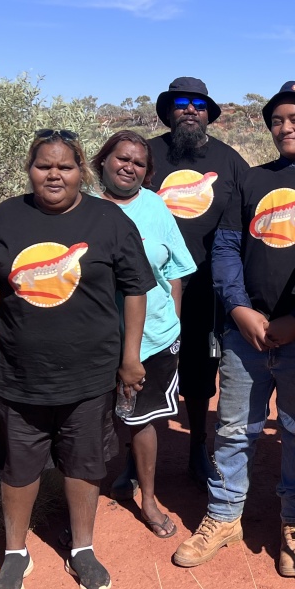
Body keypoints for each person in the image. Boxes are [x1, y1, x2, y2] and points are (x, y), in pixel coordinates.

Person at [172, 81, 295, 577]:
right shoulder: (251, 180)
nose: (286, 127)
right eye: (277, 120)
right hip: (246, 333)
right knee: (232, 430)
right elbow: (227, 247)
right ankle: (224, 516)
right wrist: (237, 309)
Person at [0, 129, 156, 589]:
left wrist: (130, 357)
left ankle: (82, 548)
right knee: (17, 467)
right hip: (17, 372)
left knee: (84, 463)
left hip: (91, 372)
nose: (54, 174)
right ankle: (15, 553)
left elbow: (135, 289)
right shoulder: (7, 217)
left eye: (65, 167)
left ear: (81, 172)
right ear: (30, 170)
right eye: (44, 166)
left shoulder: (108, 220)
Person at [90, 130, 196, 538]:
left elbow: (173, 273)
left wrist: (176, 328)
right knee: (89, 422)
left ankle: (148, 499)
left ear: (147, 172)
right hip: (96, 337)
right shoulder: (82, 204)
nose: (128, 167)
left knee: (143, 419)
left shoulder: (156, 208)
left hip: (154, 335)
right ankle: (85, 500)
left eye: (137, 162)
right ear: (103, 161)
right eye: (121, 158)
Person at [147, 77, 250, 487]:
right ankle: (133, 462)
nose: (190, 109)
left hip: (206, 288)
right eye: (181, 103)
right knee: (143, 367)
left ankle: (197, 450)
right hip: (148, 287)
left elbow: (248, 215)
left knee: (200, 372)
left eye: (199, 104)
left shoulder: (229, 161)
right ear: (169, 111)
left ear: (208, 113)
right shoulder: (148, 155)